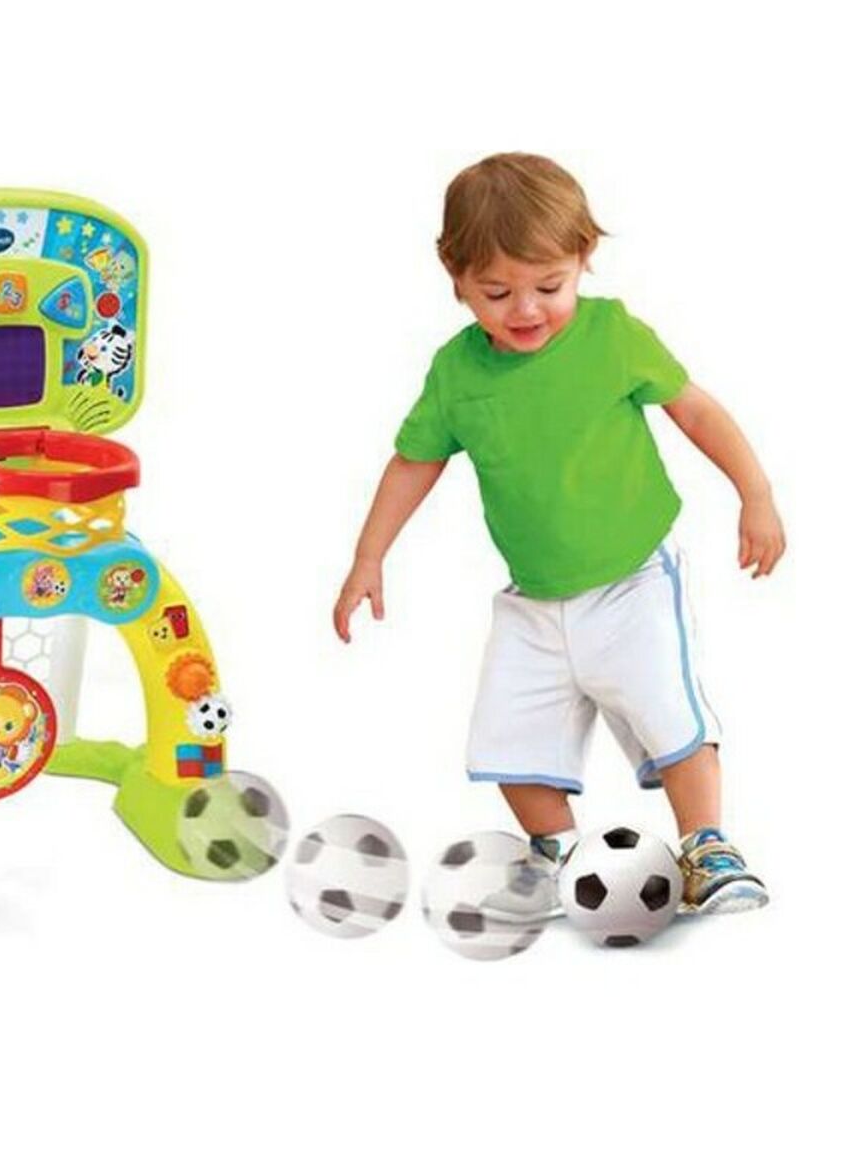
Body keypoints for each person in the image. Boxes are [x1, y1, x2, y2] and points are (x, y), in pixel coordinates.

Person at [333, 153, 785, 914]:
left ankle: (707, 844)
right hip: (534, 597)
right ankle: (561, 855)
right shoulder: (455, 372)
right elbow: (414, 461)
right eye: (496, 292)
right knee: (506, 738)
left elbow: (695, 410)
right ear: (455, 278)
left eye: (549, 287)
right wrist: (368, 557)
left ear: (583, 259)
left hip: (633, 578)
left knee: (669, 712)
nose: (526, 310)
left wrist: (756, 494)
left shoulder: (612, 335)